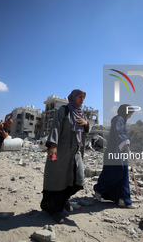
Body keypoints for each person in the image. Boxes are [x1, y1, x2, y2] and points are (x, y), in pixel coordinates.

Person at [41, 89, 89, 223]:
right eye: (79, 97)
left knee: (77, 178)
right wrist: (53, 145)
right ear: (73, 97)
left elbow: (83, 132)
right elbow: (55, 127)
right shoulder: (64, 110)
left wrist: (87, 125)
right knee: (57, 179)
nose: (82, 100)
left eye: (83, 98)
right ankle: (56, 210)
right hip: (60, 152)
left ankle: (64, 200)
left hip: (75, 152)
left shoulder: (81, 113)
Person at [93, 104, 136, 209]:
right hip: (114, 152)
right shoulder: (118, 119)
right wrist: (124, 141)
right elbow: (118, 133)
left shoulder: (122, 121)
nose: (130, 116)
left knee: (123, 173)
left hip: (121, 152)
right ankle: (99, 189)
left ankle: (123, 199)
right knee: (116, 172)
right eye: (130, 113)